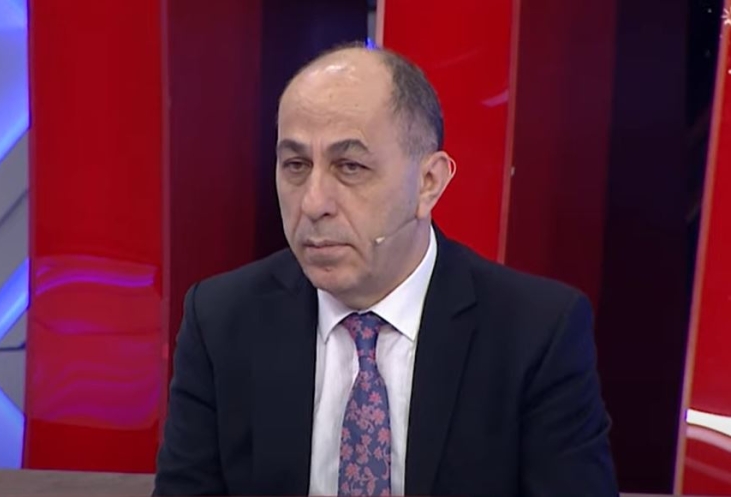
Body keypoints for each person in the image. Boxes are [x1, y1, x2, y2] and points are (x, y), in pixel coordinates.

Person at [153, 42, 618, 497]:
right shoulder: (221, 320)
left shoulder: (536, 333)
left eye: (350, 167)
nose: (313, 203)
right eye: (295, 165)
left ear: (428, 183)